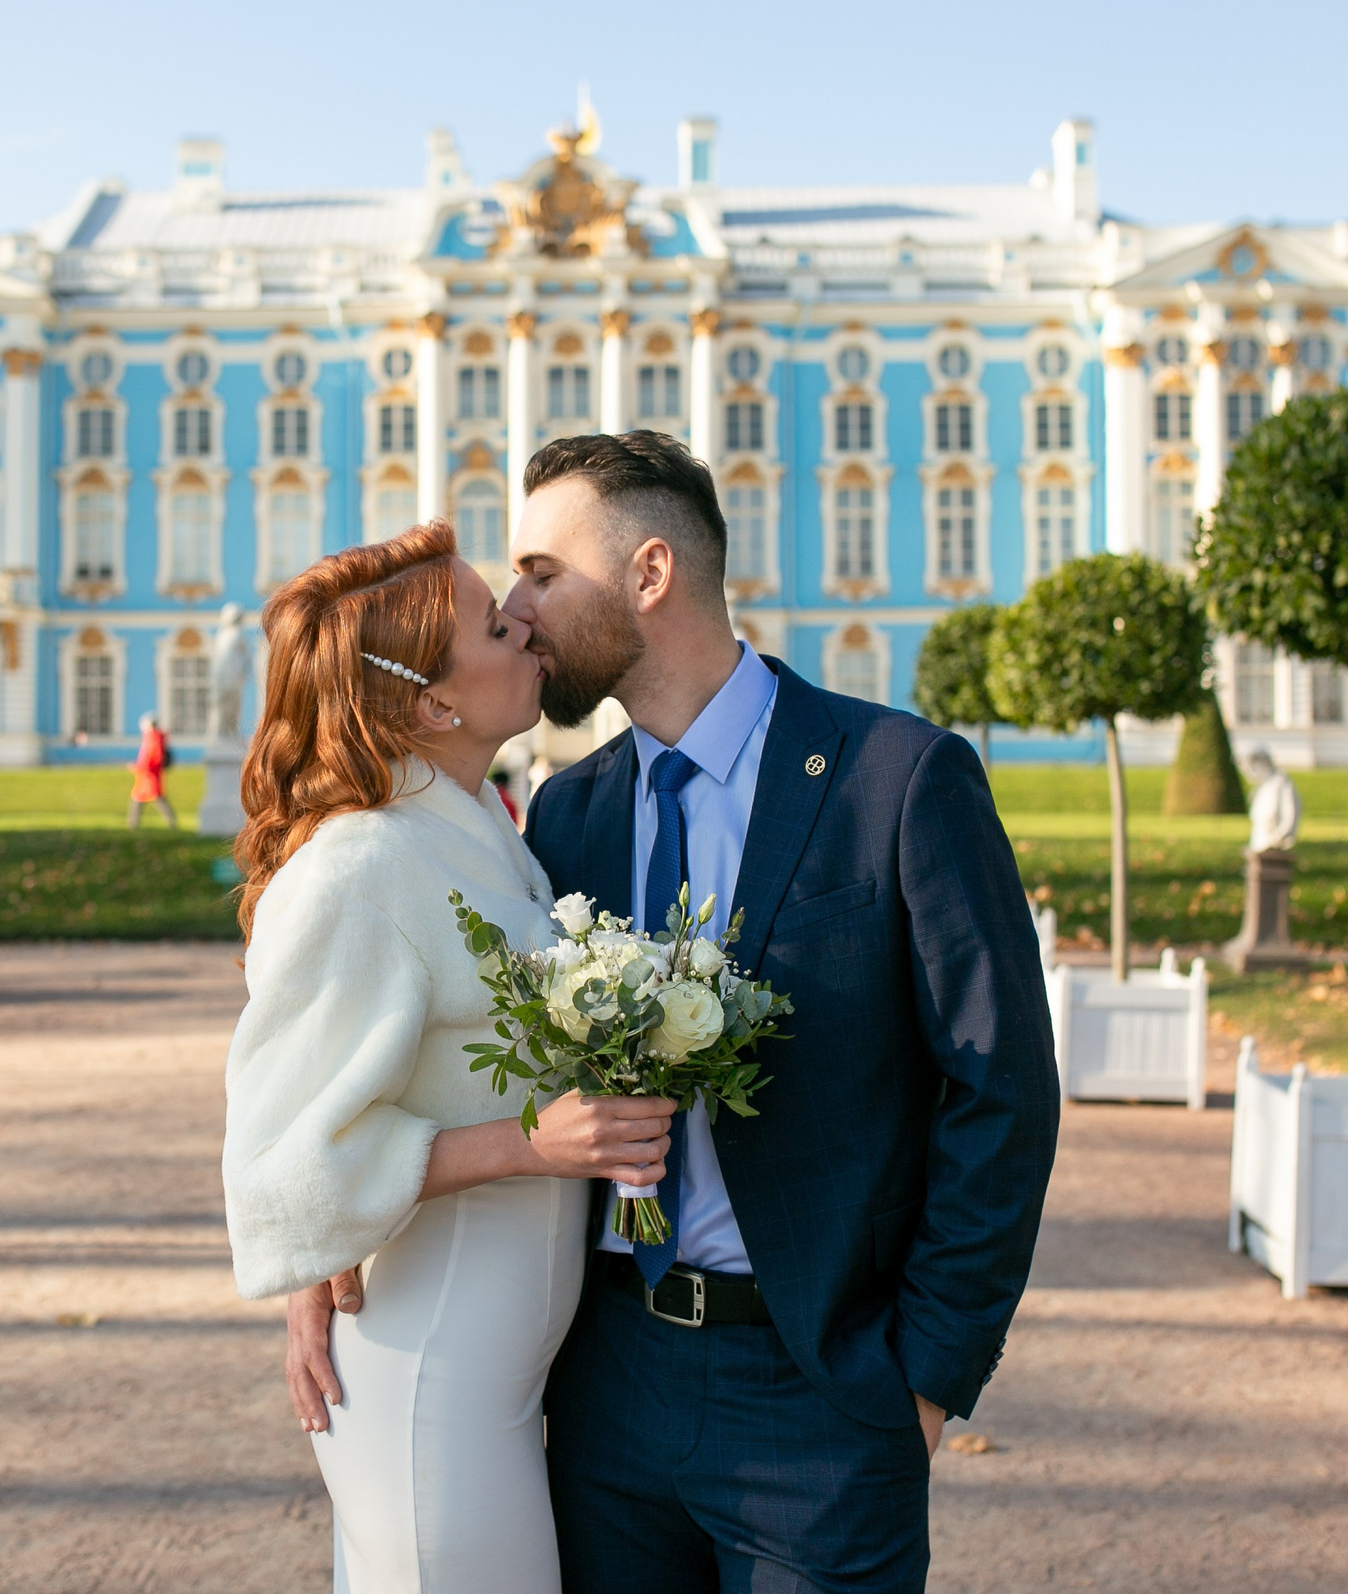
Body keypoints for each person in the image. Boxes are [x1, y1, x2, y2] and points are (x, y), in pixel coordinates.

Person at [294, 430, 1061, 1591]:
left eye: (541, 571)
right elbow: (443, 1048)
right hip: (603, 1387)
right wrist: (324, 1244)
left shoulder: (896, 779)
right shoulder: (565, 815)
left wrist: (923, 1380)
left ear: (649, 573)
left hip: (820, 1395)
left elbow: (1000, 1086)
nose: (517, 606)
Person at [221, 520, 674, 1594]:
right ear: (433, 704)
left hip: (495, 1375)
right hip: (426, 1381)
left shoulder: (484, 832)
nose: (525, 623)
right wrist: (530, 1144)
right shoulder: (356, 868)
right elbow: (281, 1169)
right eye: (493, 625)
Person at [129, 713, 176, 829]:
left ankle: (172, 823)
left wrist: (141, 767)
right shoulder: (152, 738)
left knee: (155, 797)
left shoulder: (154, 738)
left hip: (150, 775)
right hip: (145, 775)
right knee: (139, 798)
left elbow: (154, 758)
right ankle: (133, 825)